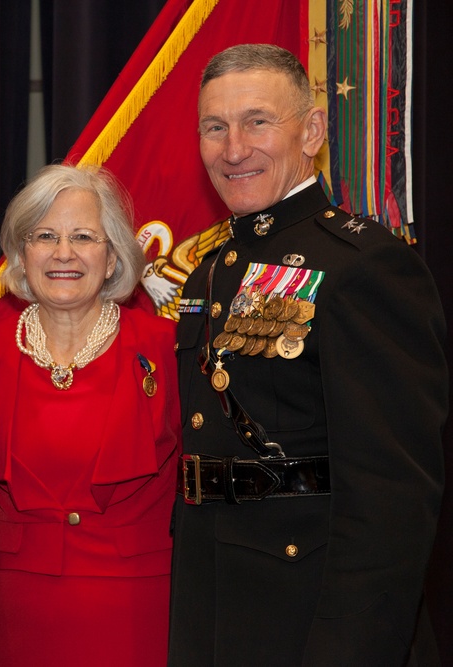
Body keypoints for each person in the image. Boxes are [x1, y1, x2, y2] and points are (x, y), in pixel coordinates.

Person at [169, 44, 447, 665]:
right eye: (215, 127)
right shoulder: (207, 277)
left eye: (258, 121)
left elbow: (391, 502)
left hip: (311, 617)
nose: (233, 147)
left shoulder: (366, 266)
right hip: (212, 607)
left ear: (313, 130)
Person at [0, 164, 181, 665]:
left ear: (111, 259)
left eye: (84, 236)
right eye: (45, 236)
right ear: (22, 255)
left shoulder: (166, 349)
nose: (64, 253)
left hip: (135, 605)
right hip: (18, 607)